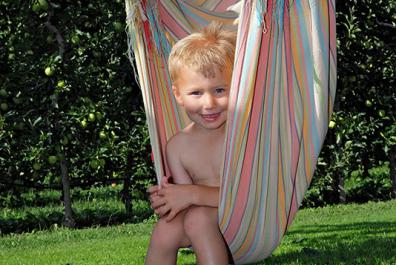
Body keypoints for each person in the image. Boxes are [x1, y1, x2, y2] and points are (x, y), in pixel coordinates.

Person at [145, 22, 236, 265]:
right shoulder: (177, 146)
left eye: (219, 90)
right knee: (165, 228)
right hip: (202, 217)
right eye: (196, 93)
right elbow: (184, 201)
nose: (209, 103)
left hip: (245, 216)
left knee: (197, 219)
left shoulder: (242, 135)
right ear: (178, 95)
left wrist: (190, 194)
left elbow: (247, 196)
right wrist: (168, 200)